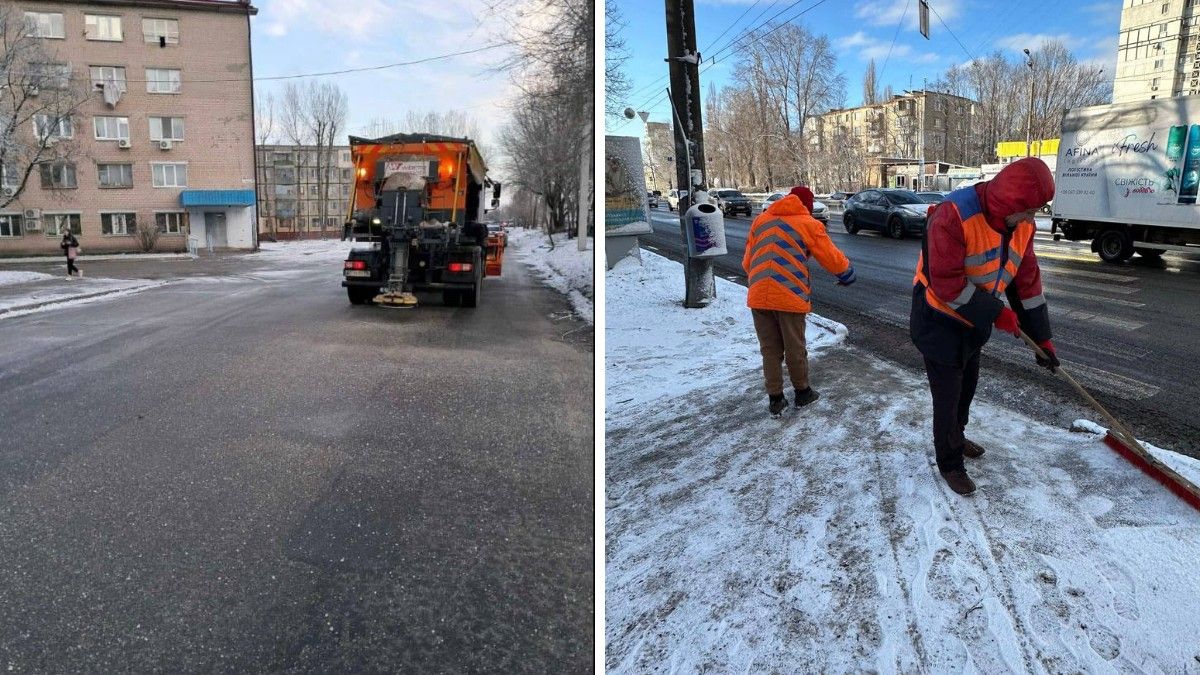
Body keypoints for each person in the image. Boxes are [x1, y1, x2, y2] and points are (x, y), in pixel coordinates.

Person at [910, 157, 1059, 496]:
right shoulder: (953, 215)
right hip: (939, 318)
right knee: (947, 397)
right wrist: (996, 314)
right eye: (1029, 210)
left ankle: (957, 438)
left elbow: (1026, 281)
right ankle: (949, 463)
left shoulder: (1021, 225)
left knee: (968, 387)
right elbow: (947, 286)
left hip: (973, 320)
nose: (1032, 219)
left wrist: (1042, 339)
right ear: (1010, 203)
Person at [743, 185, 856, 416]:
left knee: (769, 350)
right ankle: (803, 394)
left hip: (758, 295)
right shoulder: (808, 224)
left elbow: (747, 262)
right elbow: (832, 257)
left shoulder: (761, 221)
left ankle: (776, 399)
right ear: (808, 205)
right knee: (795, 347)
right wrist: (846, 274)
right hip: (788, 295)